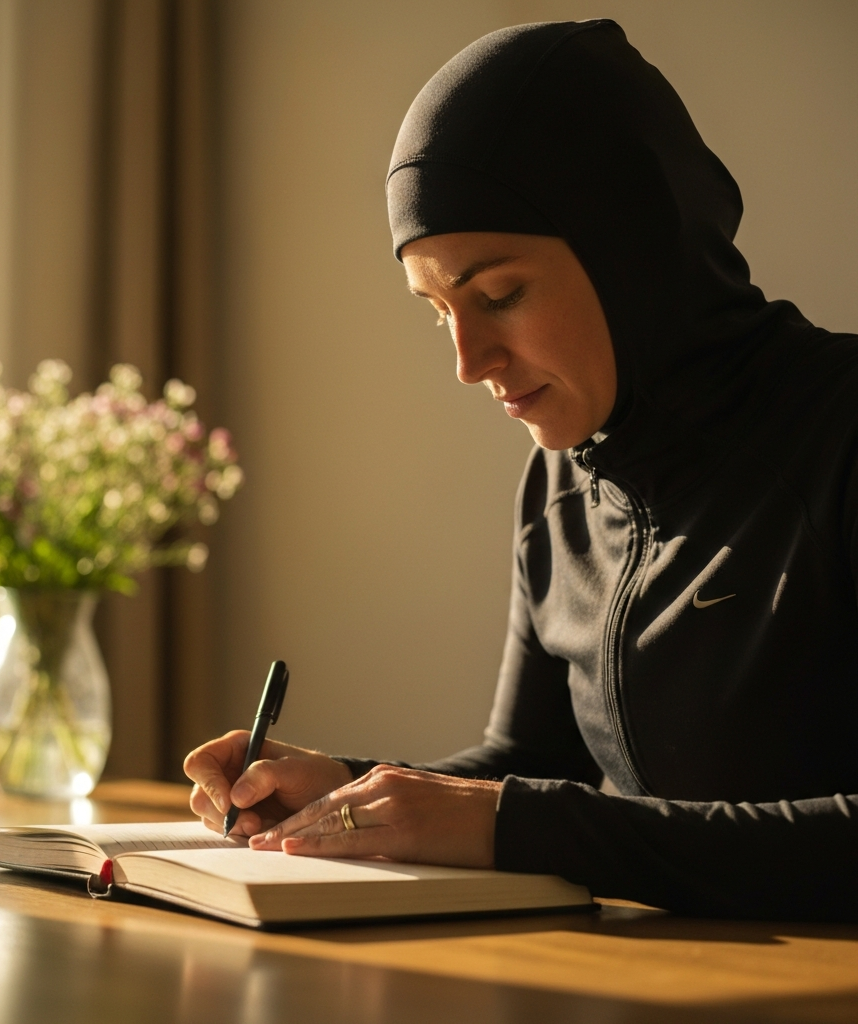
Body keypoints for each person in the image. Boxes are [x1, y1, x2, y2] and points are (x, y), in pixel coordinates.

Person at [184, 19, 858, 921]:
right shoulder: (561, 488)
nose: (467, 360)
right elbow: (529, 774)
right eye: (437, 310)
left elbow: (533, 818)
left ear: (636, 251)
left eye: (499, 294)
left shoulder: (841, 433)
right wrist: (341, 795)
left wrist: (519, 823)